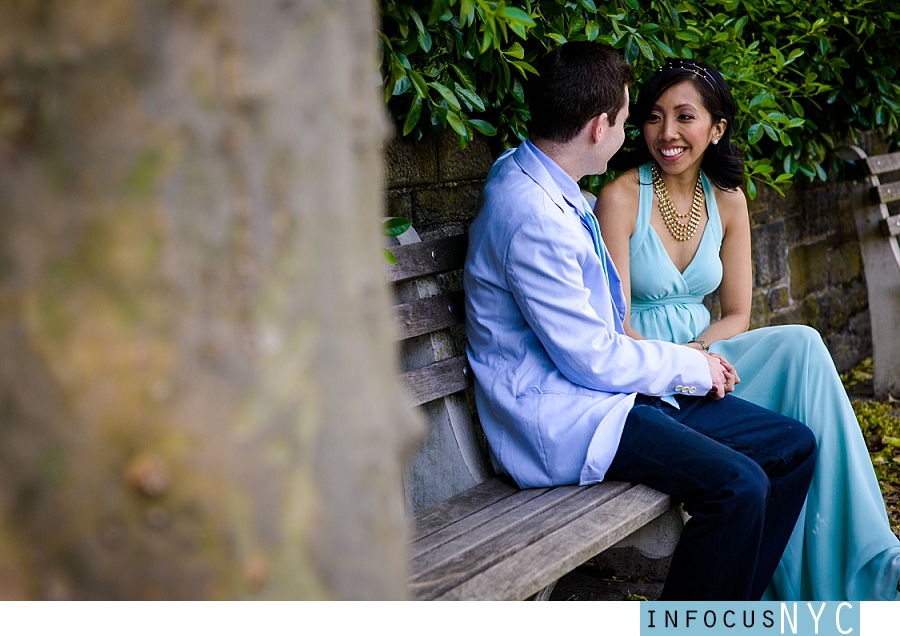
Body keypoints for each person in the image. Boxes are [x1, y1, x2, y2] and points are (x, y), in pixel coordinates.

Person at [464, 41, 816, 601]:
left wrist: (686, 364)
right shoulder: (532, 217)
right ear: (599, 125)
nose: (635, 135)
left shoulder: (540, 176)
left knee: (792, 447)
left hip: (606, 394)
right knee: (739, 486)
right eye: (631, 118)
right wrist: (692, 365)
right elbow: (591, 357)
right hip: (568, 417)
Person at [596, 58, 900, 601]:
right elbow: (614, 325)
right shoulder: (621, 196)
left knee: (802, 344)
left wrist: (700, 354)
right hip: (641, 367)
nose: (667, 133)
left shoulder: (729, 200)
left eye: (685, 116)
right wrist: (680, 363)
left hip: (704, 352)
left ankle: (862, 551)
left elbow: (737, 312)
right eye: (654, 116)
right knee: (784, 429)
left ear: (717, 129)